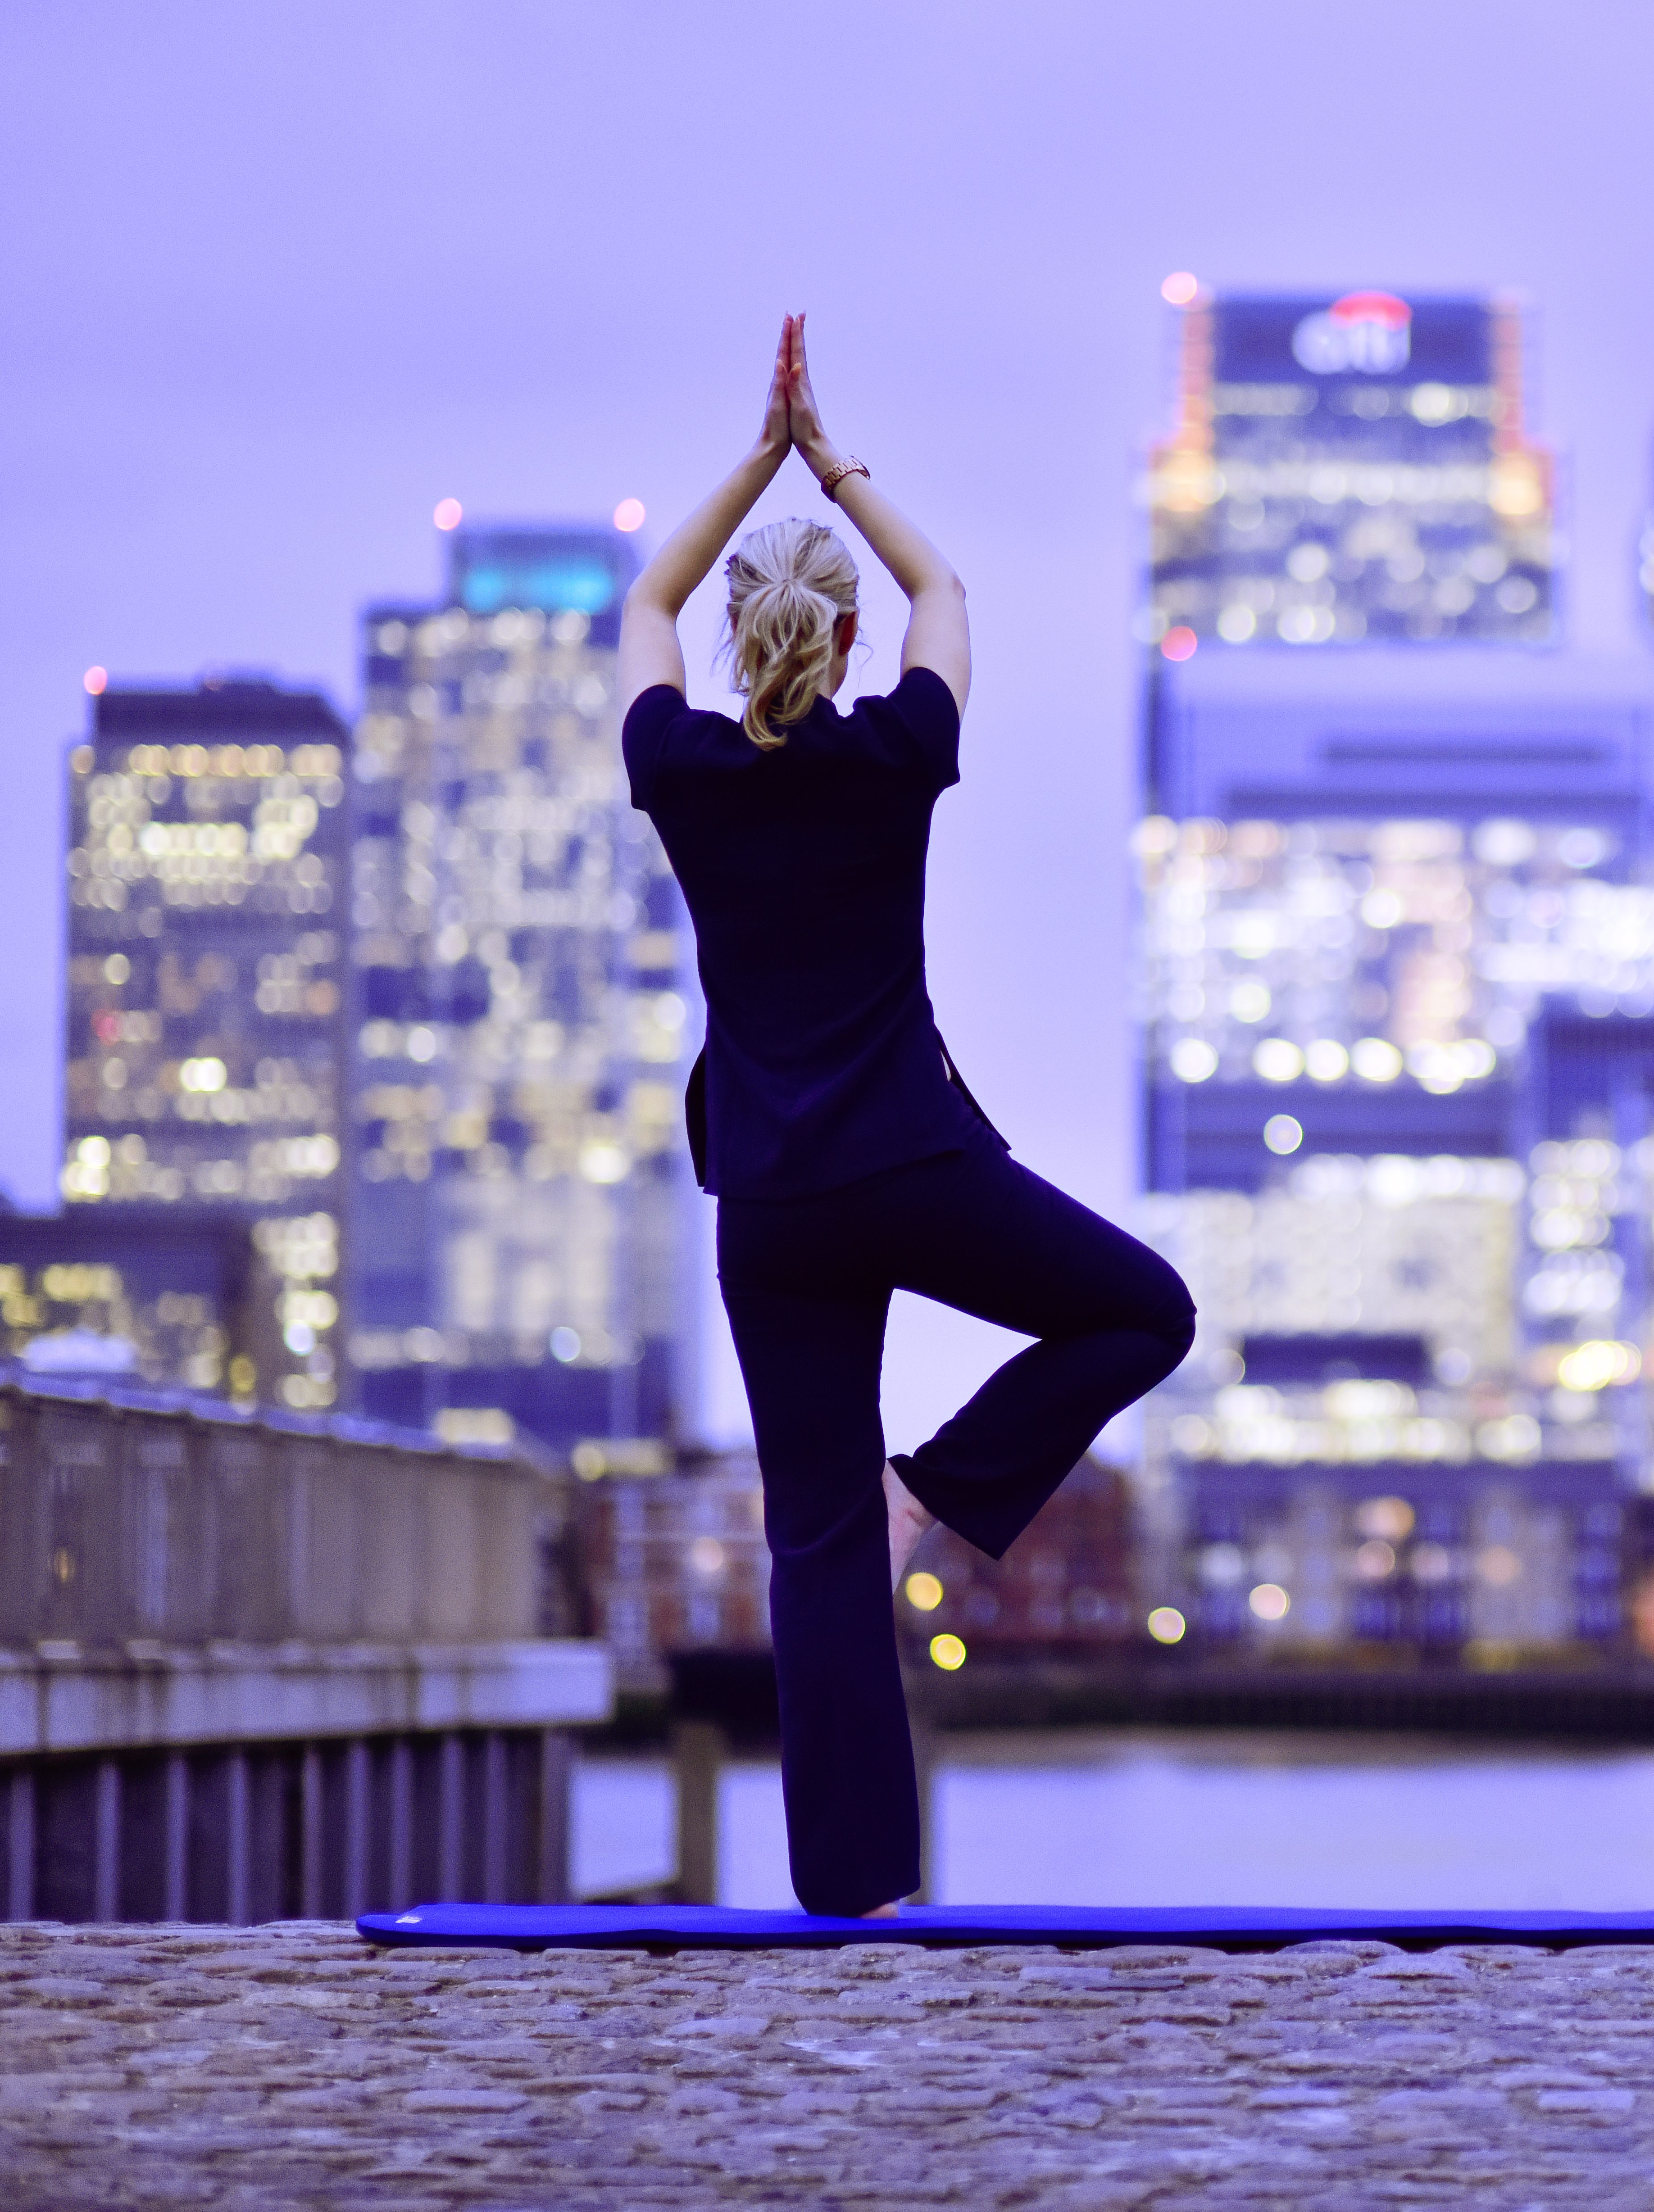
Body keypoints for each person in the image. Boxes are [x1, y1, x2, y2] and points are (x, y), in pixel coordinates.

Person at [618, 317, 1194, 1918]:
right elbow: (951, 595)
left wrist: (755, 463)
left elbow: (647, 600)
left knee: (813, 1551)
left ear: (741, 640)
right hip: (917, 1167)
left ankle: (852, 1894)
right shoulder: (899, 752)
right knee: (1146, 1311)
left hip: (776, 1211)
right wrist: (834, 466)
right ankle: (934, 1491)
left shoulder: (679, 765)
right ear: (850, 633)